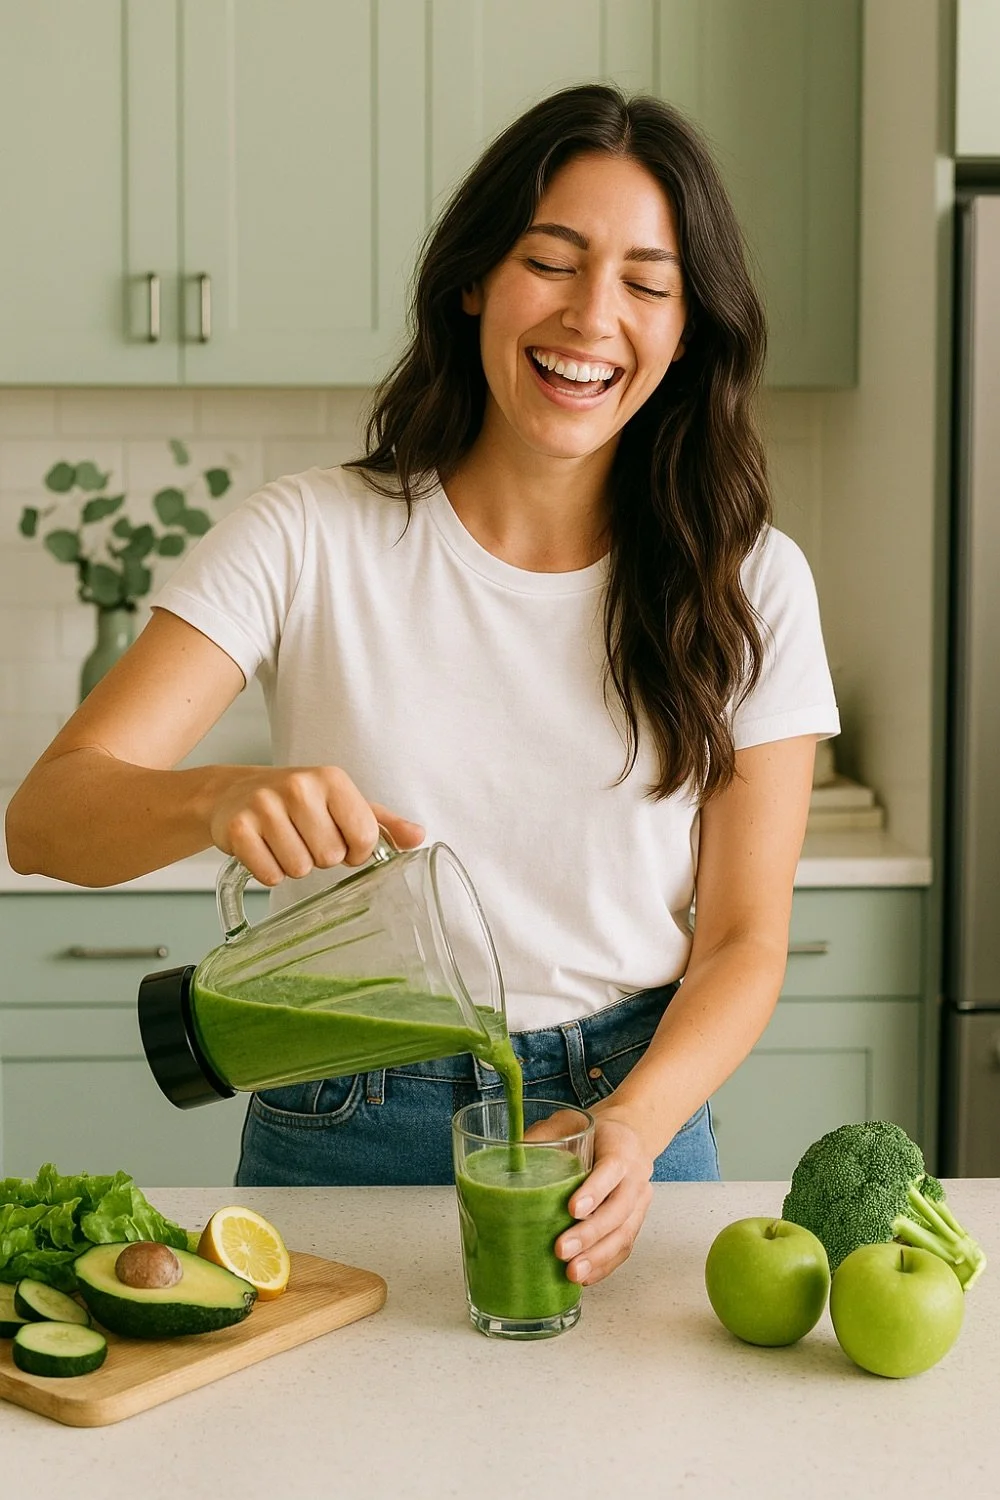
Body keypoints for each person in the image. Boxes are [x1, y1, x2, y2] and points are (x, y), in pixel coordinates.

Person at [5, 84, 839, 1289]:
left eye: (647, 285)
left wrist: (638, 1122)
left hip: (624, 1120)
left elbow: (748, 938)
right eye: (549, 262)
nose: (592, 317)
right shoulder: (307, 536)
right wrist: (212, 799)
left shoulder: (750, 579)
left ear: (687, 327)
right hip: (343, 1114)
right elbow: (44, 822)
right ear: (473, 283)